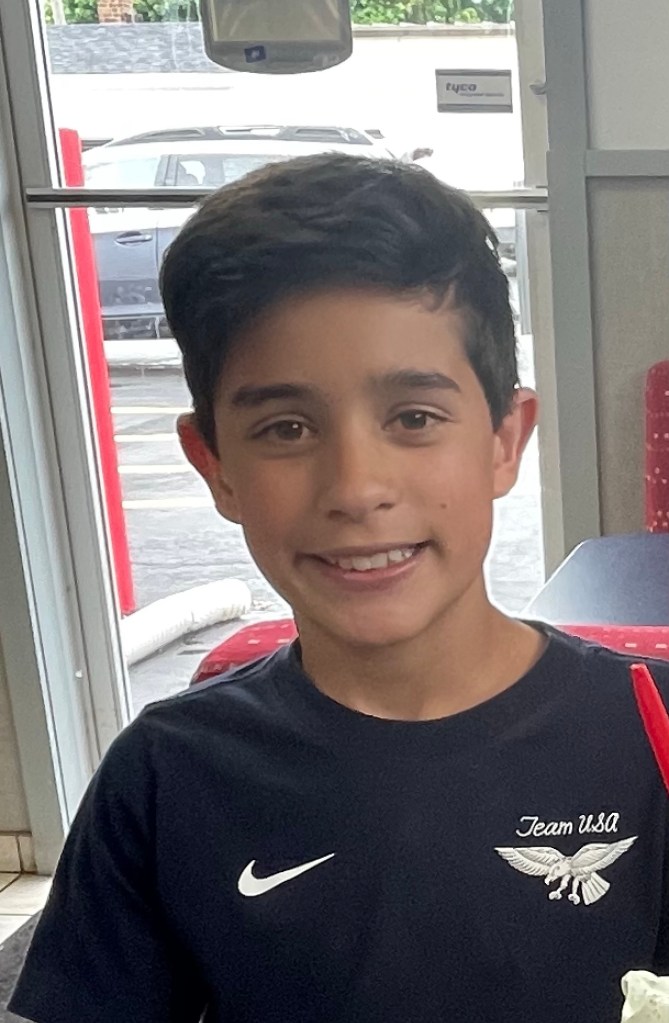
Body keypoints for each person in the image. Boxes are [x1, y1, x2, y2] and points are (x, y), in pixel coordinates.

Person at [10, 154, 669, 1023]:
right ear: (215, 465)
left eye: (413, 417)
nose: (355, 487)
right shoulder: (168, 776)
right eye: (286, 428)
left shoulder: (649, 731)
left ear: (504, 440)